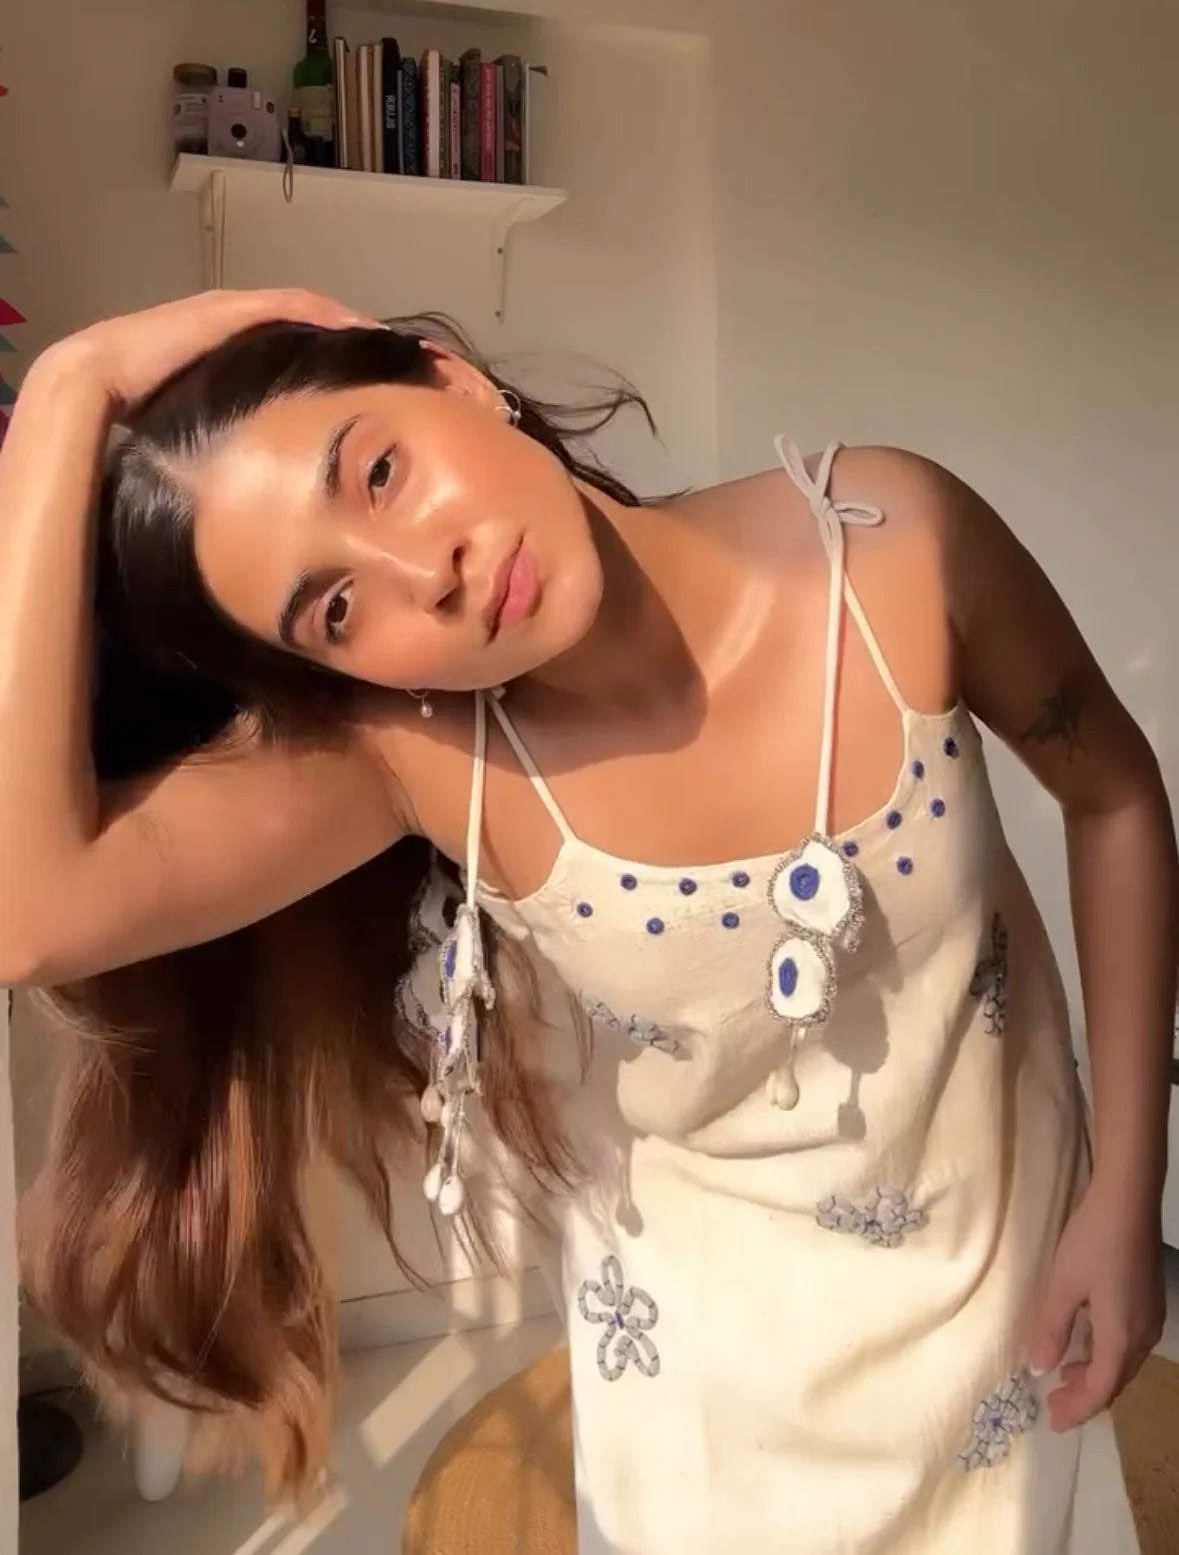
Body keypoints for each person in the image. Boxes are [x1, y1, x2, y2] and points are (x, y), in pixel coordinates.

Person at [0, 288, 1174, 1553]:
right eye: (336, 611)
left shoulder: (894, 544)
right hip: (710, 1405)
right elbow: (29, 911)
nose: (427, 576)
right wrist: (70, 386)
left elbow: (1112, 794)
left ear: (454, 381)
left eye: (380, 473)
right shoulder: (422, 760)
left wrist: (1126, 1190)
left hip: (999, 1315)